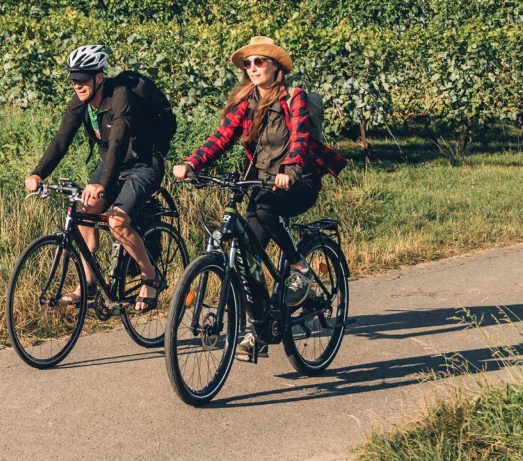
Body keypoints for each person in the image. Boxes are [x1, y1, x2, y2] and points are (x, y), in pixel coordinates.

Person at [172, 36, 348, 355]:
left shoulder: (295, 98)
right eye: (248, 63)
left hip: (299, 181)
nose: (252, 68)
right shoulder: (246, 100)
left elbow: (300, 140)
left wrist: (290, 171)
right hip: (261, 181)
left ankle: (299, 267)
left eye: (259, 61)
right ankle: (261, 328)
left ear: (275, 66)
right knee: (246, 255)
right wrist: (192, 163)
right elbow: (222, 137)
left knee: (265, 211)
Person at [23, 44, 178, 312]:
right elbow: (61, 141)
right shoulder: (80, 104)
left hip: (143, 166)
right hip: (110, 164)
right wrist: (38, 172)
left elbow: (118, 142)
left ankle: (150, 276)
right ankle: (89, 283)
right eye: (73, 79)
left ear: (98, 77)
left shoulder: (120, 97)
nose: (77, 85)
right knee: (86, 210)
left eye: (82, 79)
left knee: (118, 222)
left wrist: (102, 185)